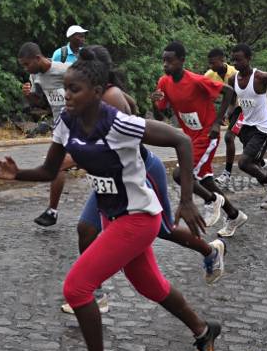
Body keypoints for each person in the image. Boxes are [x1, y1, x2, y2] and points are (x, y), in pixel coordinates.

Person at [0, 48, 222, 351]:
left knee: (77, 288)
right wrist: (17, 174)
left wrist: (187, 199)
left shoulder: (118, 122)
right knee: (152, 287)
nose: (67, 95)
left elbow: (180, 140)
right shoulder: (65, 124)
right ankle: (203, 330)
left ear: (97, 92)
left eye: (75, 90)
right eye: (65, 89)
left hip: (139, 217)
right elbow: (51, 171)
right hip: (111, 215)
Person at [69, 46, 226, 317]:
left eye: (84, 68)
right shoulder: (91, 96)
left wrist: (187, 199)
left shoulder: (112, 97)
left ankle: (209, 250)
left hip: (139, 171)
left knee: (163, 228)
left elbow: (122, 141)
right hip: (110, 179)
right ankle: (95, 293)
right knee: (85, 228)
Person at [151, 41, 246, 233]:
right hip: (188, 139)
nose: (165, 65)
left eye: (169, 61)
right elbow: (161, 116)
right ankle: (235, 215)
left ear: (181, 61)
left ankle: (212, 200)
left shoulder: (196, 80)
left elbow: (228, 91)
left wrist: (217, 122)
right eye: (163, 61)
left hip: (206, 135)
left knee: (180, 174)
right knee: (205, 181)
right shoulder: (164, 82)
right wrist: (154, 103)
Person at [218, 44, 267, 222]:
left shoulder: (260, 77)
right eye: (234, 59)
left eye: (240, 59)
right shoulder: (233, 79)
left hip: (262, 128)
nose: (236, 62)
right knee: (254, 163)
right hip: (246, 126)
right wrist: (228, 113)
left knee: (244, 163)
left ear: (249, 59)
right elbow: (233, 98)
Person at [18, 41, 72, 226]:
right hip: (60, 125)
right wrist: (29, 95)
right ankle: (52, 211)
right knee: (58, 166)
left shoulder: (64, 69)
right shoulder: (36, 77)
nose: (26, 69)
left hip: (78, 123)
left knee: (58, 166)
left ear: (38, 58)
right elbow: (39, 102)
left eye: (27, 64)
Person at [205, 48, 245, 189]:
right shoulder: (209, 75)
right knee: (243, 138)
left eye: (213, 63)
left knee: (229, 137)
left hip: (242, 108)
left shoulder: (235, 72)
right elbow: (204, 94)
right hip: (228, 108)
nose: (211, 66)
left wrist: (225, 113)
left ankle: (227, 173)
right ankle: (261, 161)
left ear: (222, 60)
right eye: (209, 63)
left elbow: (235, 96)